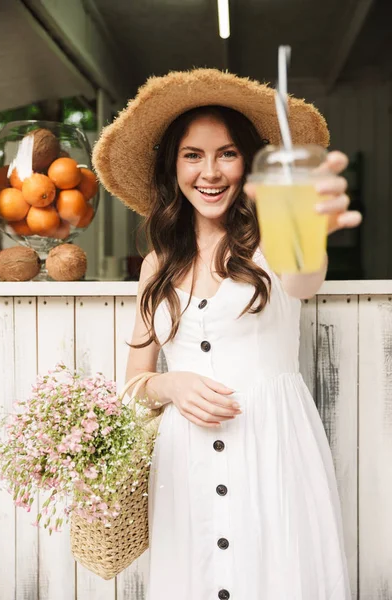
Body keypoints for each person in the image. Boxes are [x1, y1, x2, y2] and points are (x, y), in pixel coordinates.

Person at [93, 68, 361, 600]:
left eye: (227, 153)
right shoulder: (157, 265)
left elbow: (304, 279)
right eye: (193, 154)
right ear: (174, 166)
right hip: (183, 463)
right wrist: (171, 386)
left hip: (272, 449)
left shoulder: (275, 240)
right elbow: (133, 384)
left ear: (250, 164)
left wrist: (309, 229)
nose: (210, 172)